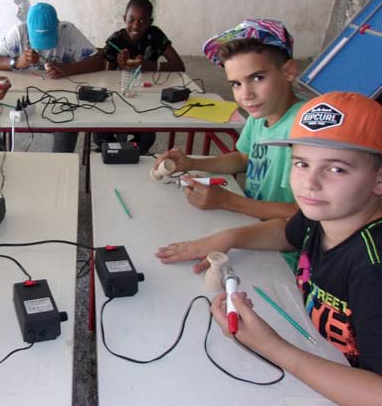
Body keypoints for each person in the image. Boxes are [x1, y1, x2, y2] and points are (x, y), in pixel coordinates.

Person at [157, 92, 382, 405]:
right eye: (301, 163)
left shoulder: (373, 266)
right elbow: (287, 233)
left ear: (379, 178)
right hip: (320, 352)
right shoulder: (327, 213)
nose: (310, 183)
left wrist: (271, 348)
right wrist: (228, 237)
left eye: (336, 169)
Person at [153, 19, 302, 220]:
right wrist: (191, 163)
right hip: (252, 222)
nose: (245, 95)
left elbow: (304, 215)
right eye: (236, 84)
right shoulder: (260, 115)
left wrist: (228, 201)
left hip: (283, 246)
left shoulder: (305, 129)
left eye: (257, 78)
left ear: (288, 72)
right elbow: (243, 159)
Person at [0, 2, 105, 152]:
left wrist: (68, 69)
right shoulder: (18, 33)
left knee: (68, 124)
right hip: (23, 99)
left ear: (57, 26)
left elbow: (98, 61)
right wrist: (16, 62)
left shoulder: (68, 31)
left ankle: (61, 166)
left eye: (48, 38)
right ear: (28, 28)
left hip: (61, 100)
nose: (44, 48)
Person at [96, 0, 185, 154]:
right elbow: (101, 72)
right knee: (100, 136)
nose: (136, 26)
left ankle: (130, 155)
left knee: (146, 138)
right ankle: (112, 154)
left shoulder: (155, 36)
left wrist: (149, 65)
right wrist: (116, 63)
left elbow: (179, 65)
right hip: (115, 99)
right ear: (124, 19)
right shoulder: (116, 40)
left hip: (145, 98)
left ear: (150, 22)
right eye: (131, 20)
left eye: (142, 21)